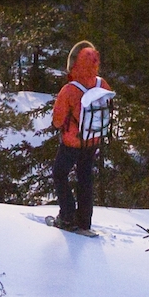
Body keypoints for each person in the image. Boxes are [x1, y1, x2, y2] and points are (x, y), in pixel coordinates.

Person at [49, 40, 115, 231]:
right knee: (85, 177)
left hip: (72, 142)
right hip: (93, 140)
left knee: (60, 174)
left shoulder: (70, 90)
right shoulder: (102, 83)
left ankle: (67, 217)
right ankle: (84, 221)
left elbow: (58, 121)